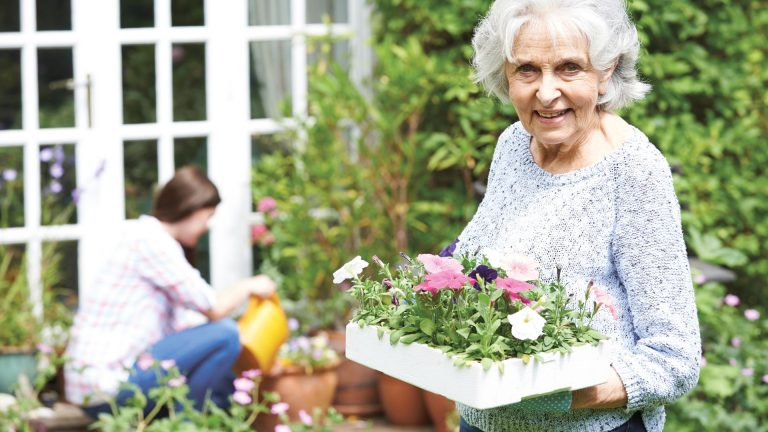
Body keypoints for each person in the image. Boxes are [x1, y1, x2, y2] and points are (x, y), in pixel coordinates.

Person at [454, 1, 701, 431]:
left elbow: (674, 359)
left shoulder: (634, 172)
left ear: (606, 70)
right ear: (504, 75)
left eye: (569, 68)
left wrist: (561, 395)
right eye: (527, 69)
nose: (546, 93)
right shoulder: (513, 145)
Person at [64, 166, 276, 418]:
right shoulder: (150, 240)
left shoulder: (149, 241)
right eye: (208, 216)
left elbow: (186, 323)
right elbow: (214, 307)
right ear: (191, 208)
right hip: (106, 386)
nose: (207, 226)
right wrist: (249, 285)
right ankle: (190, 423)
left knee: (221, 358)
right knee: (226, 335)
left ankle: (198, 422)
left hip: (109, 382)